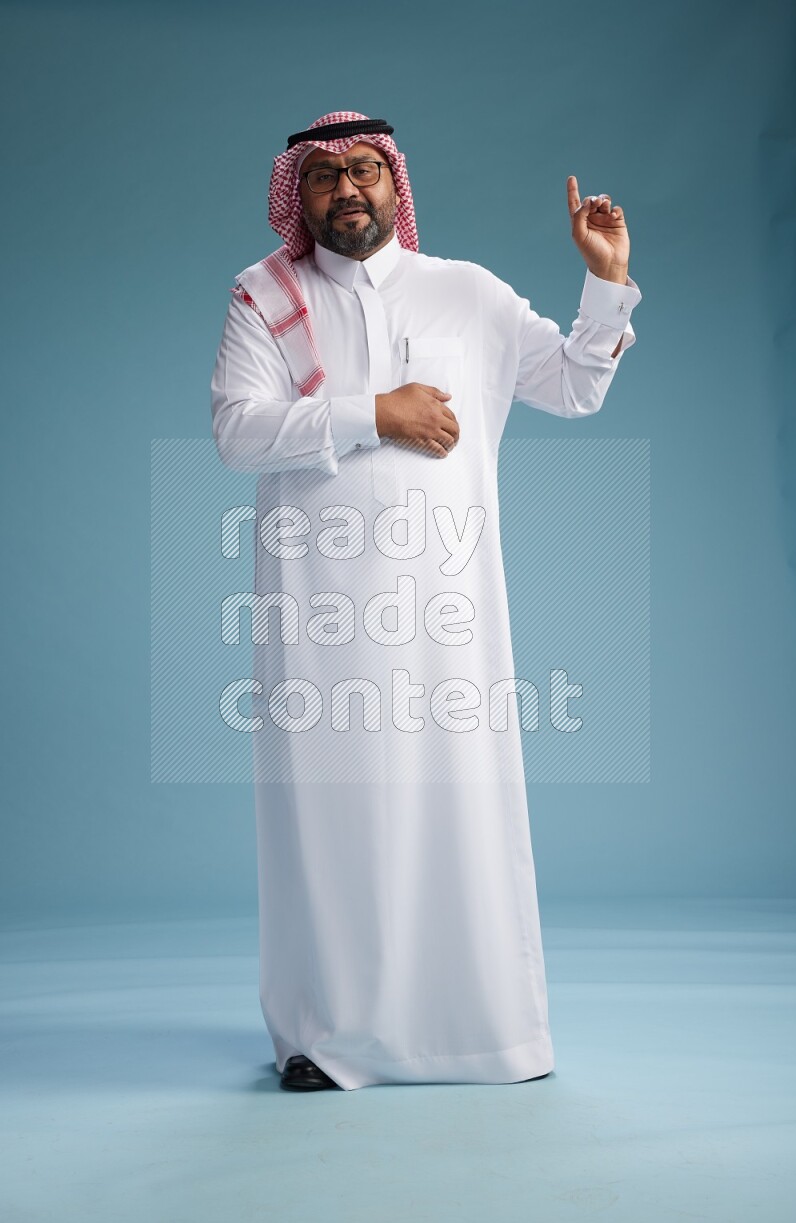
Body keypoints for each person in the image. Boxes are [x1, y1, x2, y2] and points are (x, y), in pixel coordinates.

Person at [210, 111, 642, 1092]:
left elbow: (574, 385)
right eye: (324, 177)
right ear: (298, 194)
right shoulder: (261, 297)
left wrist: (605, 281)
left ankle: (486, 1035)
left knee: (462, 818)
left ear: (394, 185)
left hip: (450, 620)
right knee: (331, 825)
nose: (347, 189)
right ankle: (326, 1038)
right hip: (319, 625)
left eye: (365, 169)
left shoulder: (467, 295)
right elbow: (238, 430)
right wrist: (374, 414)